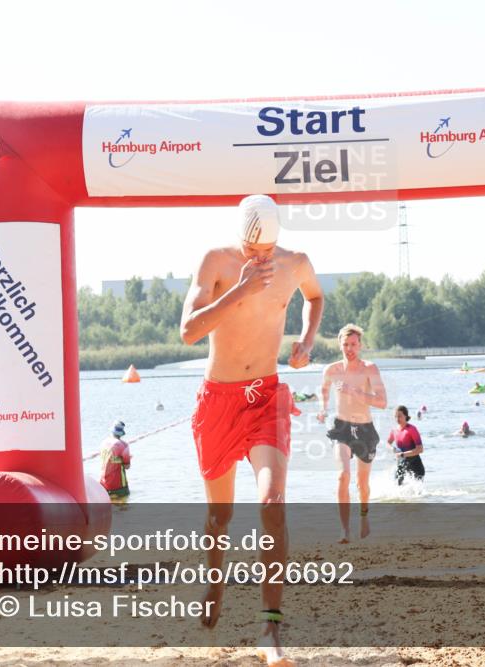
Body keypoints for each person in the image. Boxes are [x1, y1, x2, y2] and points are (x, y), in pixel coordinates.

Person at [180, 194, 323, 665]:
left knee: (272, 503)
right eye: (251, 249)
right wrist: (238, 290)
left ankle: (270, 627)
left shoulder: (296, 262)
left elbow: (315, 297)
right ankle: (215, 581)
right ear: (240, 237)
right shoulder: (216, 261)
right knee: (219, 518)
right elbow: (187, 331)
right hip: (218, 400)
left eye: (266, 251)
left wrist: (305, 340)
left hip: (265, 396)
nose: (259, 259)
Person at [318, 323, 387, 543]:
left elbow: (382, 402)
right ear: (339, 344)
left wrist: (356, 392)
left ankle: (364, 517)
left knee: (362, 484)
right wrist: (322, 409)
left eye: (354, 344)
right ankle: (344, 530)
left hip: (365, 429)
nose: (349, 348)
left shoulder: (370, 368)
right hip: (341, 428)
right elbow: (324, 391)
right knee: (342, 475)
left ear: (360, 345)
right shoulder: (331, 370)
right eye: (345, 344)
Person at [387, 405, 425, 485]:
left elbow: (420, 449)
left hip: (415, 465)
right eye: (396, 417)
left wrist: (403, 454)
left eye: (400, 416)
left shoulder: (411, 429)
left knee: (417, 495)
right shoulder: (394, 430)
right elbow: (388, 443)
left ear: (406, 416)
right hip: (401, 463)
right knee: (396, 486)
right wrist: (392, 449)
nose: (397, 419)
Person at [99, 421, 131, 498]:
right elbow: (127, 466)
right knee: (123, 508)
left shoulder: (103, 443)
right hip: (119, 486)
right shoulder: (123, 445)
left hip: (103, 485)